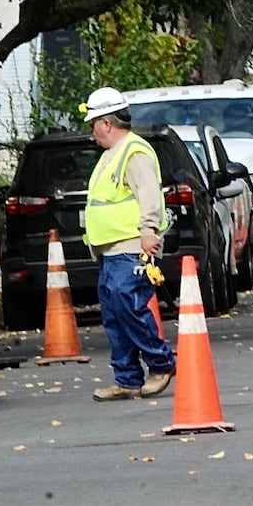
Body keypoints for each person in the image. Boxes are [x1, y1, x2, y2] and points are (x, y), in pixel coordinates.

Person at [79, 86, 177, 402]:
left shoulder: (134, 153)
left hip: (132, 247)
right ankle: (127, 378)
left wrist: (149, 231)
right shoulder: (112, 155)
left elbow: (149, 196)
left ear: (107, 122)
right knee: (114, 313)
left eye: (93, 122)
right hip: (111, 250)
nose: (91, 131)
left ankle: (161, 363)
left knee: (128, 304)